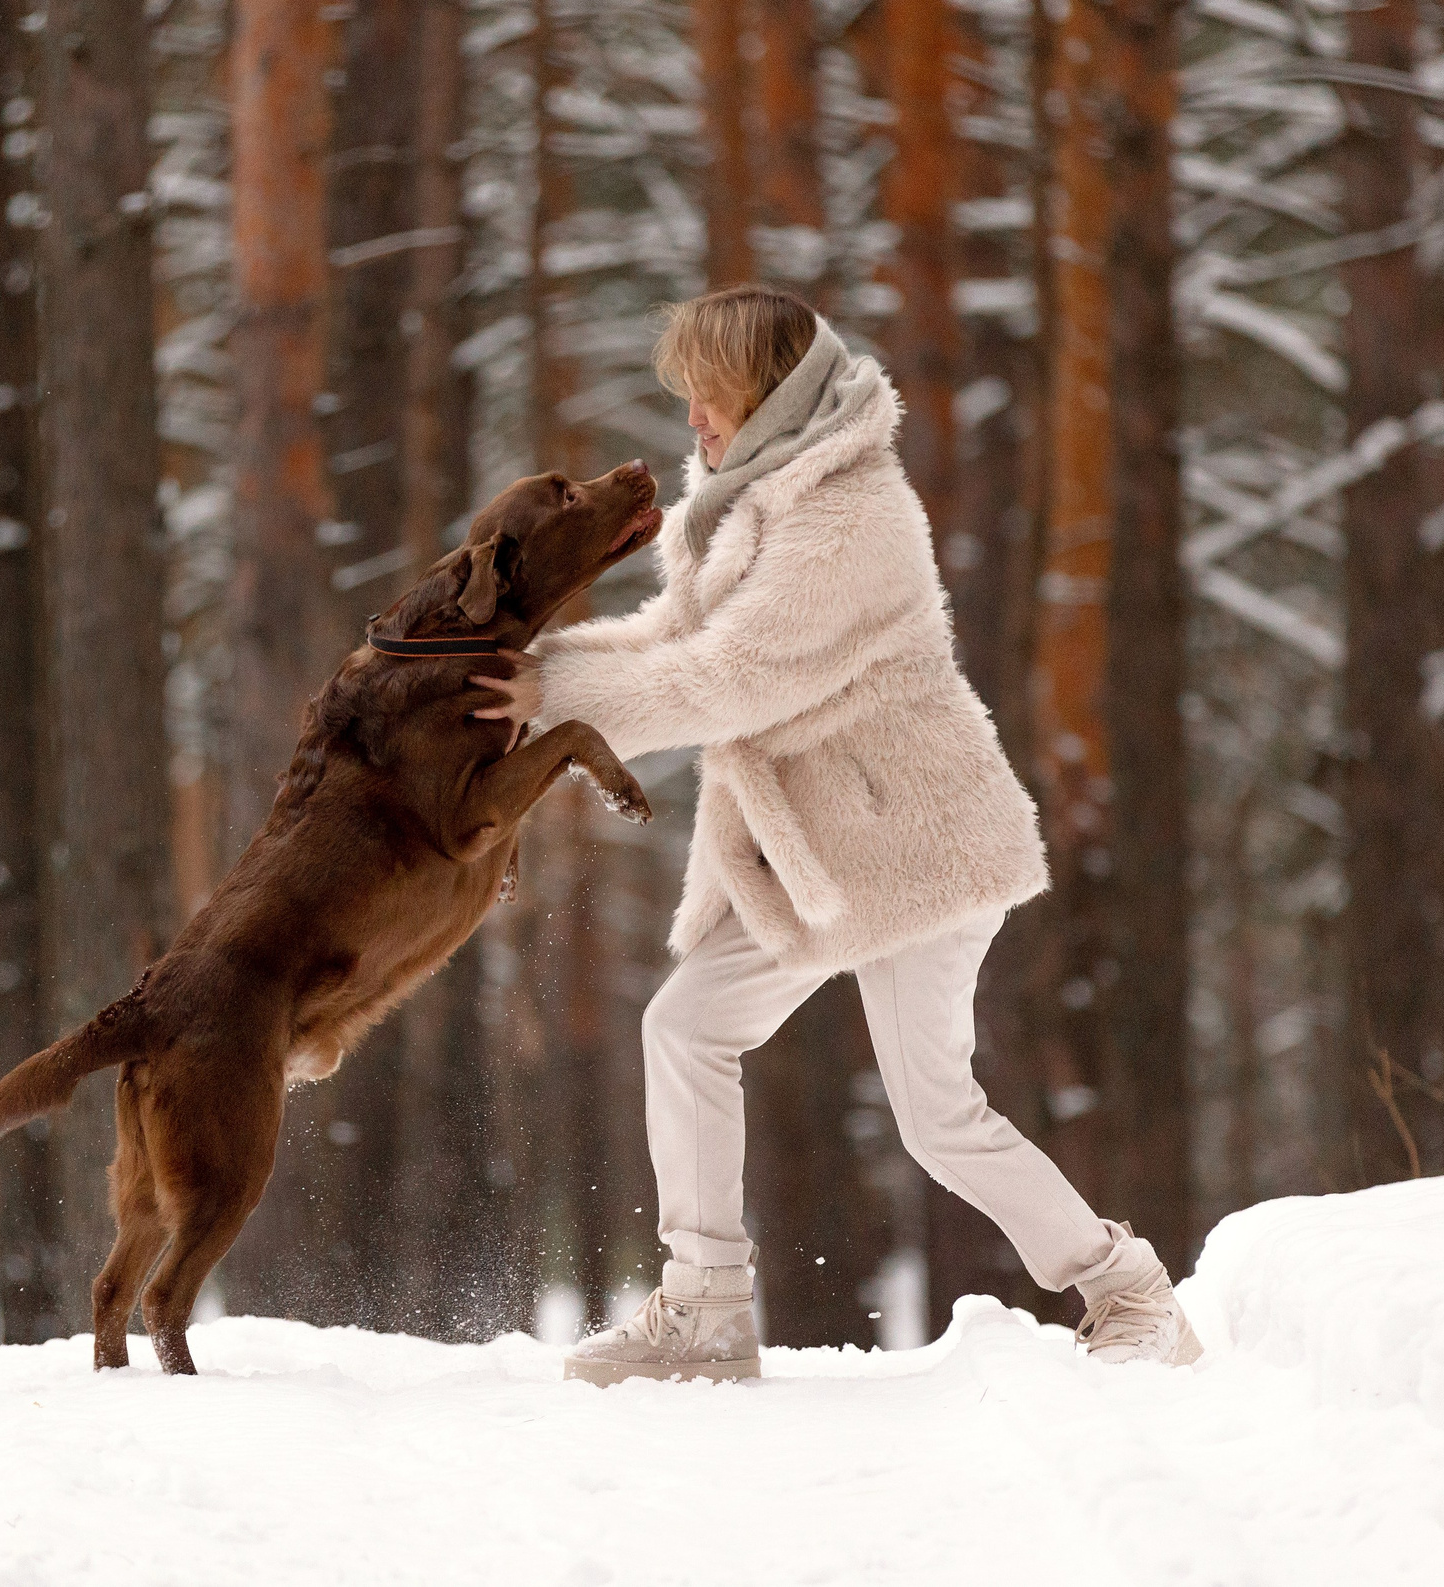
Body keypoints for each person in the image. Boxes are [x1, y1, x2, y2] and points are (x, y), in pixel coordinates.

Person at [472, 283, 1199, 1382]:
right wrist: (543, 677)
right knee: (686, 1030)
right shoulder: (745, 498)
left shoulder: (852, 516)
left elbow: (733, 678)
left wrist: (551, 701)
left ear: (763, 394)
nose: (691, 424)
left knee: (938, 1117)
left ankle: (1130, 1289)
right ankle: (705, 1311)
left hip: (918, 849)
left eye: (706, 397)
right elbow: (673, 634)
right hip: (823, 856)